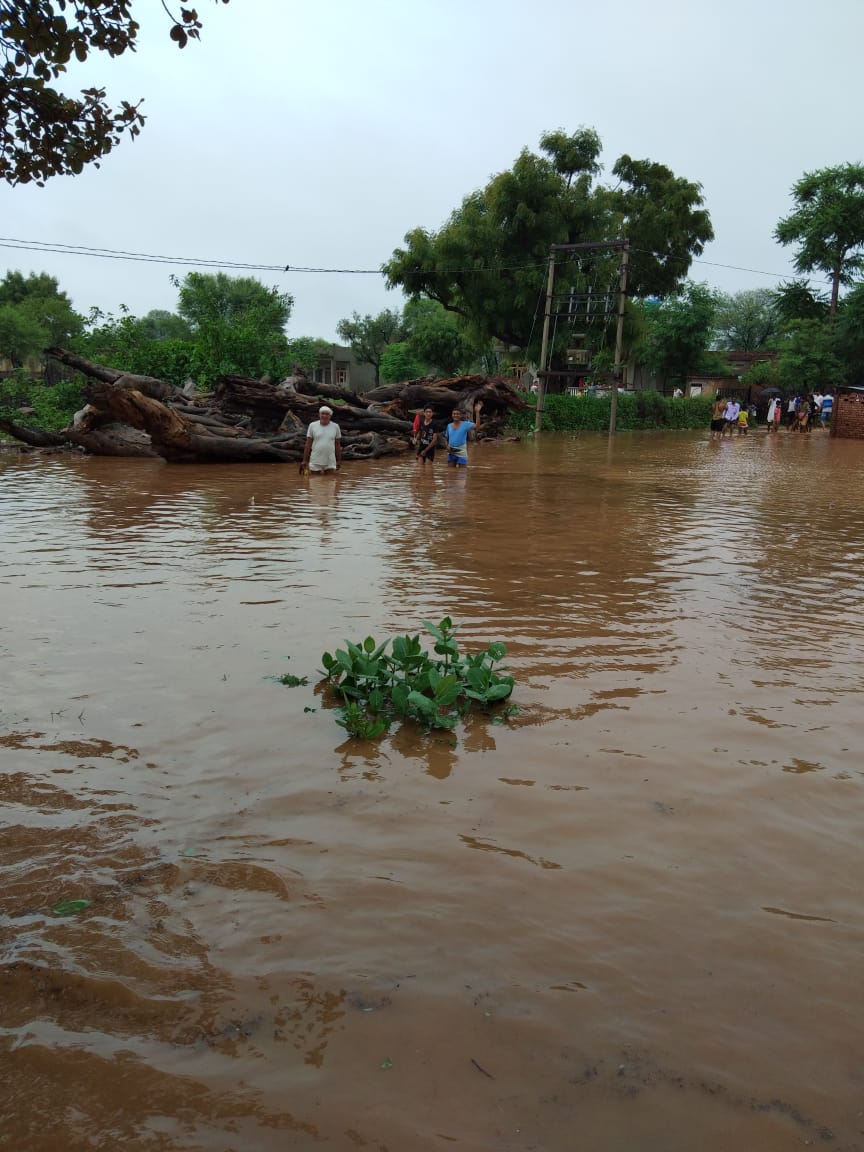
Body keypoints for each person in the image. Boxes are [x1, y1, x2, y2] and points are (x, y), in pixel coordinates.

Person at [301, 405, 341, 474]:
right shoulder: (312, 425)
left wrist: (339, 460)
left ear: (330, 416)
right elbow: (308, 444)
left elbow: (337, 445)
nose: (324, 416)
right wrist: (304, 460)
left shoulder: (335, 426)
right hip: (315, 460)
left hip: (330, 461)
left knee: (331, 482)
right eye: (322, 413)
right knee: (314, 482)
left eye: (327, 414)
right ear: (319, 415)